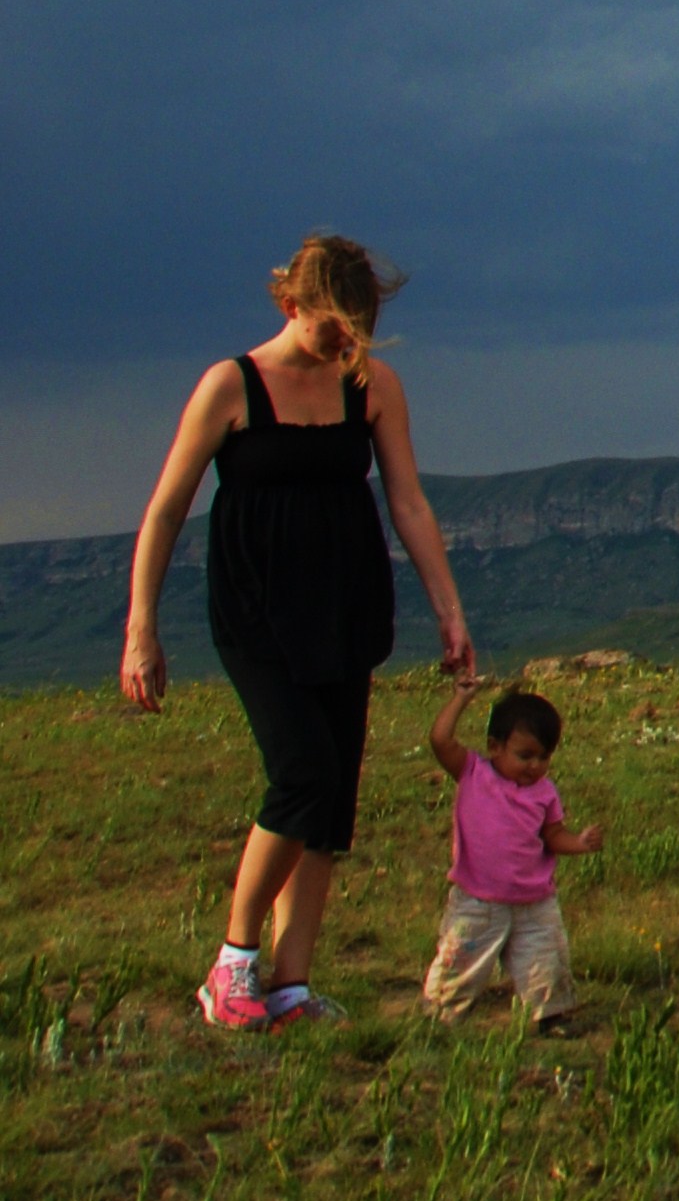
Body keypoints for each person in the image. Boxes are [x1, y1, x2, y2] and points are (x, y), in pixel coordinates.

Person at [121, 234, 476, 1031]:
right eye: (329, 329)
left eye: (357, 329)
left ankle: (290, 986)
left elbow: (409, 503)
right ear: (290, 306)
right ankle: (233, 962)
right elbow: (166, 510)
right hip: (258, 611)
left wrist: (448, 609)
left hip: (346, 603)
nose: (343, 343)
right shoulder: (231, 386)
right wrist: (141, 627)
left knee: (331, 803)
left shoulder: (374, 384)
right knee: (303, 772)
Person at [423, 679, 602, 1023]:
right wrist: (461, 698)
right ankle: (441, 1016)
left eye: (544, 757)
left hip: (534, 903)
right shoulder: (473, 773)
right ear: (494, 747)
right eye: (525, 755)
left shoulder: (545, 792)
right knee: (459, 963)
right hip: (477, 903)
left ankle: (550, 1018)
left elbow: (553, 835)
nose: (534, 765)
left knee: (544, 962)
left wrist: (578, 843)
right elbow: (440, 740)